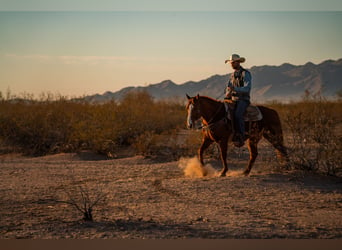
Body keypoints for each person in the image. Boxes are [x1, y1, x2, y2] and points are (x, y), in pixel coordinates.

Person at [224, 54, 252, 147]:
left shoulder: (245, 74)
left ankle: (241, 135)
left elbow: (247, 88)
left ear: (238, 62)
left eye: (233, 62)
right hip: (232, 99)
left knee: (238, 114)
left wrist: (235, 89)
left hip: (243, 99)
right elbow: (228, 88)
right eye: (231, 63)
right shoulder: (232, 75)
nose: (231, 64)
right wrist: (227, 93)